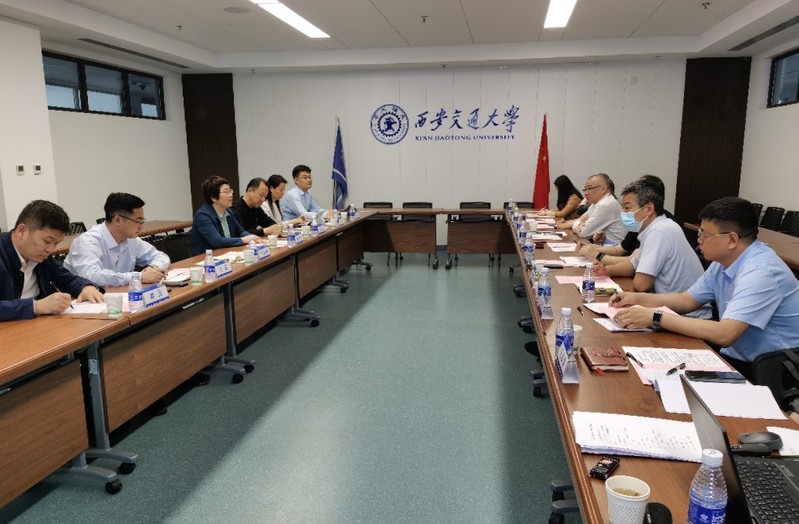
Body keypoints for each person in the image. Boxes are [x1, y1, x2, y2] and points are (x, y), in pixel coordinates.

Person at [610, 197, 799, 375]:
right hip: (738, 357)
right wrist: (636, 298)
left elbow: (725, 333)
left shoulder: (760, 272)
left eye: (704, 235)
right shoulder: (723, 261)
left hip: (775, 370)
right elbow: (686, 300)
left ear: (732, 239)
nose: (698, 239)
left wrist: (655, 317)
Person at [0, 200, 104, 321]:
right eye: (47, 241)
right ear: (21, 231)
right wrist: (36, 306)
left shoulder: (41, 257)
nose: (51, 249)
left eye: (56, 243)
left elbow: (66, 278)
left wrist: (86, 287)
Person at [64, 193, 170, 286]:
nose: (141, 226)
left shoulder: (131, 240)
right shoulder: (87, 242)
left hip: (119, 295)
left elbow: (161, 256)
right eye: (138, 221)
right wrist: (139, 277)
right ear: (118, 220)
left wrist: (154, 268)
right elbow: (92, 277)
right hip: (82, 299)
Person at [580, 175, 674, 265]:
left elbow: (631, 264)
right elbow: (619, 250)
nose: (624, 212)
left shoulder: (660, 228)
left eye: (628, 207)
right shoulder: (639, 222)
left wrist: (597, 256)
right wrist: (590, 248)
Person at [190, 176, 263, 255]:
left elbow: (240, 232)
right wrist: (243, 240)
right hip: (206, 258)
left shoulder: (228, 212)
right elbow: (217, 241)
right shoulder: (202, 216)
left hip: (226, 253)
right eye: (226, 192)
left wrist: (253, 237)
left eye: (230, 191)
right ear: (213, 197)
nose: (230, 195)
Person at [556, 173, 626, 245]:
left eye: (589, 188)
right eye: (585, 189)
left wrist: (573, 224)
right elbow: (582, 219)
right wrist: (571, 223)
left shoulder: (606, 204)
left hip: (613, 248)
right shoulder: (596, 203)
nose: (585, 193)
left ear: (603, 189)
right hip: (601, 246)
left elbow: (584, 233)